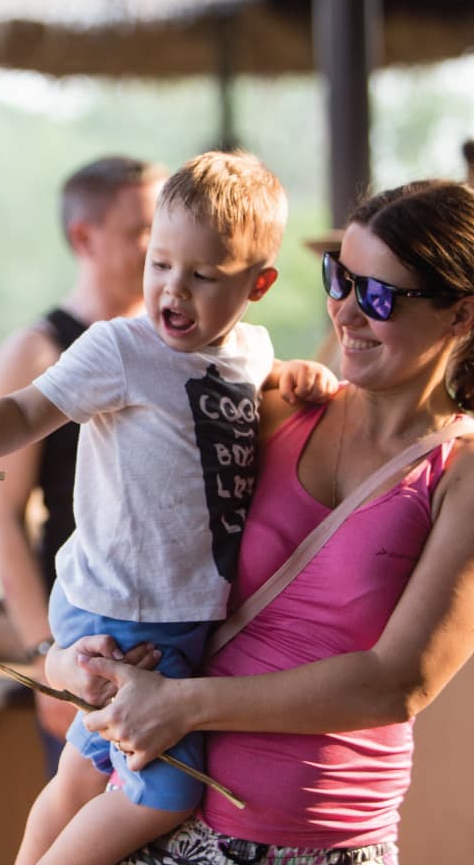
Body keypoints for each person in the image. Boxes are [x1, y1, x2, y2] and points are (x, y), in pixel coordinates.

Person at [0, 151, 337, 865]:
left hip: (184, 612)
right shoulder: (120, 348)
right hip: (124, 611)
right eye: (160, 264)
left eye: (203, 275)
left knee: (83, 771)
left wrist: (297, 373)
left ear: (259, 284)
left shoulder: (252, 352)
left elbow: (250, 385)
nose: (173, 289)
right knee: (165, 795)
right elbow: (25, 409)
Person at [47, 177, 474, 865]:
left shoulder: (460, 472)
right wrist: (67, 658)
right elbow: (129, 540)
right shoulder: (272, 405)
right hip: (156, 820)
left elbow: (399, 682)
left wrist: (186, 706)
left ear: (461, 315)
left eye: (380, 296)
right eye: (342, 279)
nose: (347, 314)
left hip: (320, 837)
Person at [0, 155, 167, 777]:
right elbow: (3, 518)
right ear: (83, 237)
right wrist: (46, 657)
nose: (160, 246)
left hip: (171, 652)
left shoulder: (181, 348)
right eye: (142, 229)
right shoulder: (37, 351)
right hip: (82, 649)